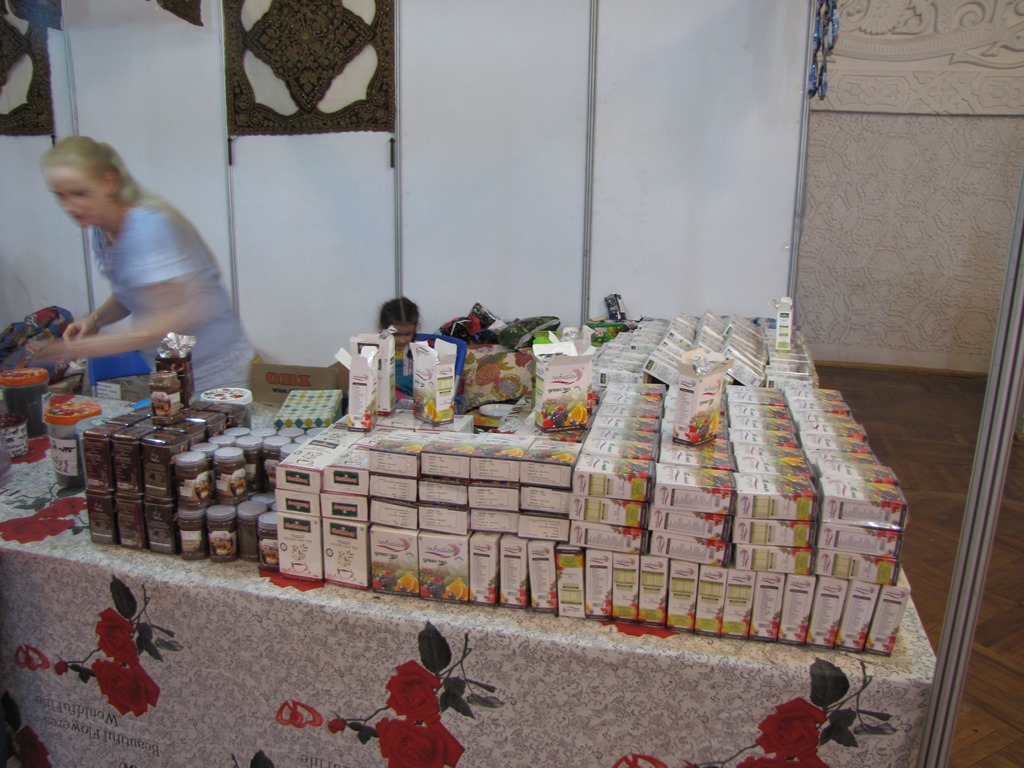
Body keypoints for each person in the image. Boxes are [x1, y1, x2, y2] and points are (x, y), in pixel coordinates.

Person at [36, 136, 253, 394]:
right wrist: (95, 320)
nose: (70, 206)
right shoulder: (102, 230)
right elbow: (133, 293)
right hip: (170, 364)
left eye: (79, 193)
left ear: (109, 182)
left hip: (209, 366)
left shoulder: (147, 228)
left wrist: (89, 348)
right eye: (61, 196)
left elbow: (180, 316)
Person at [378, 297, 419, 401]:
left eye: (408, 334)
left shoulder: (420, 351)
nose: (402, 340)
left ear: (415, 330)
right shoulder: (375, 351)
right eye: (396, 334)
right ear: (383, 328)